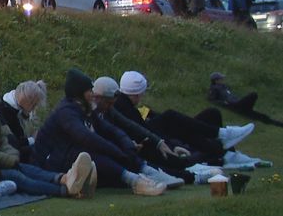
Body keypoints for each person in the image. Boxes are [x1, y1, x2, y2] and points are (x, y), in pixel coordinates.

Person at [34, 68, 168, 196]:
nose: (92, 94)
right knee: (93, 153)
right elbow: (85, 137)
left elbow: (110, 129)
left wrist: (126, 145)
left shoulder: (85, 109)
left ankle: (148, 172)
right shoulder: (66, 112)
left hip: (69, 155)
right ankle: (136, 182)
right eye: (89, 90)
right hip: (53, 162)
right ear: (79, 92)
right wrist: (117, 152)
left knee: (111, 146)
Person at [0, 73, 96, 198]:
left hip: (4, 160)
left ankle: (66, 178)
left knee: (30, 170)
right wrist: (9, 159)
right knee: (20, 177)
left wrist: (11, 157)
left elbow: (7, 138)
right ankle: (69, 190)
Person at [92, 77, 222, 185]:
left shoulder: (108, 109)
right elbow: (101, 136)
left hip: (123, 149)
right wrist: (128, 144)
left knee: (146, 154)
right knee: (140, 161)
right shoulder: (90, 112)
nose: (110, 107)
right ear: (97, 97)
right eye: (108, 103)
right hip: (105, 156)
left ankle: (192, 169)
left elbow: (128, 126)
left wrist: (159, 142)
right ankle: (194, 171)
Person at [113, 70, 255, 165]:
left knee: (211, 114)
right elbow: (144, 131)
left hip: (168, 136)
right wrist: (172, 146)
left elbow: (156, 116)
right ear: (138, 93)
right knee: (171, 117)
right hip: (165, 141)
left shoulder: (134, 108)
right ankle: (223, 145)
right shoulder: (123, 109)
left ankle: (225, 149)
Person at [0, 80, 48, 163]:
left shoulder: (10, 102)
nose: (34, 109)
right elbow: (14, 142)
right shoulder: (8, 114)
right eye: (34, 105)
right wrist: (32, 139)